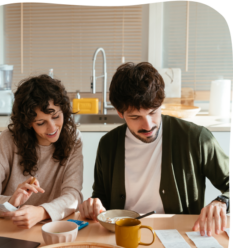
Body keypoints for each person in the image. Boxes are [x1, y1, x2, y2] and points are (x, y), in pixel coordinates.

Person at [79, 62, 230, 237]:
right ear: (120, 113)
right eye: (136, 117)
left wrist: (222, 202)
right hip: (123, 237)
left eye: (153, 112)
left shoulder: (196, 138)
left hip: (180, 235)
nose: (148, 125)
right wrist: (93, 206)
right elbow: (101, 198)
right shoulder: (108, 145)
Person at [0, 74, 83, 228]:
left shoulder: (73, 139)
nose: (52, 127)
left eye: (56, 116)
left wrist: (41, 212)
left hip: (50, 230)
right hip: (9, 229)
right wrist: (11, 202)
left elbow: (73, 196)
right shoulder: (9, 140)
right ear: (28, 123)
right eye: (41, 122)